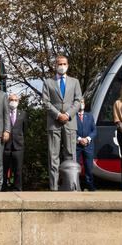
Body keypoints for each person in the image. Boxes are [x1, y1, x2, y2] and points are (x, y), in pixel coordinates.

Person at [42, 55, 82, 191]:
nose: (62, 66)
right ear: (55, 66)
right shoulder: (48, 82)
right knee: (53, 155)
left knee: (70, 154)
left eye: (64, 63)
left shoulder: (75, 82)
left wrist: (67, 114)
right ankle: (54, 187)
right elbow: (46, 102)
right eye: (59, 64)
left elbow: (78, 101)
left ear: (68, 65)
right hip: (54, 122)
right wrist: (58, 114)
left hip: (70, 122)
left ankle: (71, 185)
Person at [3, 93, 27, 191]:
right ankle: (3, 187)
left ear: (18, 102)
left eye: (15, 100)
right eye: (11, 100)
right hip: (6, 145)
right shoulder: (3, 113)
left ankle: (17, 188)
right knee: (4, 168)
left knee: (18, 169)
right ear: (8, 101)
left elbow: (25, 129)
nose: (13, 102)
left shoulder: (23, 114)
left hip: (18, 145)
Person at [76, 98, 97, 191]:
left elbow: (94, 130)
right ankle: (76, 185)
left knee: (89, 166)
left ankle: (90, 185)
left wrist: (88, 139)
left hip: (88, 145)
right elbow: (71, 131)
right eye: (80, 102)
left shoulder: (90, 116)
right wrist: (79, 139)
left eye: (83, 102)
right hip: (77, 145)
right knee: (75, 167)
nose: (81, 104)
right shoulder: (72, 117)